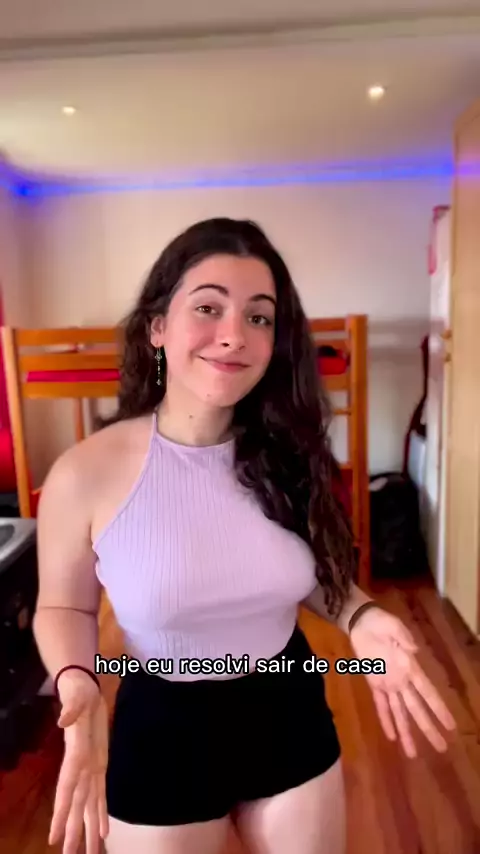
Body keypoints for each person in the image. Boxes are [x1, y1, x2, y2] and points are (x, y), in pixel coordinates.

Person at [33, 218, 456, 854]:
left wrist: (360, 615)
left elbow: (311, 578)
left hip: (288, 706)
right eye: (208, 308)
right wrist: (77, 683)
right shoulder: (84, 472)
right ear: (157, 327)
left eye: (259, 317)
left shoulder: (290, 453)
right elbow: (65, 607)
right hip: (163, 727)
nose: (234, 334)